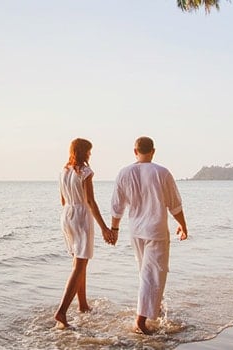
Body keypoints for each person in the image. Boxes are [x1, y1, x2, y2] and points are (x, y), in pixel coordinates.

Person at [110, 136, 188, 335]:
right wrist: (183, 225)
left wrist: (115, 229)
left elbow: (117, 206)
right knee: (153, 274)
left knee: (145, 272)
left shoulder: (123, 173)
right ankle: (141, 321)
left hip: (136, 231)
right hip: (156, 230)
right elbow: (174, 204)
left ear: (135, 151)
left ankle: (155, 309)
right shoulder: (162, 172)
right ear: (153, 151)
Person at [54, 138, 117, 329]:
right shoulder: (85, 172)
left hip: (67, 216)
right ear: (83, 152)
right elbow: (90, 201)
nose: (90, 154)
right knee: (80, 265)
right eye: (89, 151)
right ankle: (62, 312)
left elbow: (63, 200)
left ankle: (82, 305)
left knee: (78, 263)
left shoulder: (63, 171)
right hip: (81, 215)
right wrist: (105, 228)